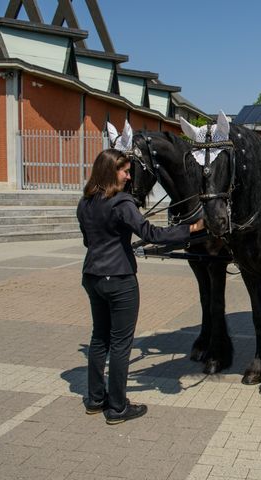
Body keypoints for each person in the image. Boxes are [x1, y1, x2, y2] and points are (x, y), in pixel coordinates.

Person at [77, 149, 205, 425]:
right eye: (124, 170)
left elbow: (89, 241)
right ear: (111, 172)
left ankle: (95, 399)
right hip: (119, 280)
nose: (128, 175)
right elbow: (151, 234)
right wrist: (190, 229)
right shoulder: (121, 203)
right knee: (122, 344)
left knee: (99, 338)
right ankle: (118, 407)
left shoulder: (85, 202)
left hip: (92, 276)